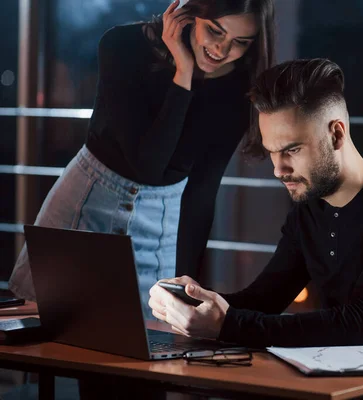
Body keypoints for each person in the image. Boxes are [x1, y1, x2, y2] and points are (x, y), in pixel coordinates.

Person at [149, 59, 363, 398]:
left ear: (336, 133)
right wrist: (198, 303)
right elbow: (263, 300)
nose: (279, 170)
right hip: (336, 389)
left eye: (292, 150)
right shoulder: (308, 211)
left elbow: (360, 325)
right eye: (272, 153)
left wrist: (226, 323)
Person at [9, 0, 275, 318]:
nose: (221, 49)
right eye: (215, 30)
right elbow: (146, 164)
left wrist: (188, 283)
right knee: (44, 331)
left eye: (240, 42)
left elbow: (204, 187)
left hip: (162, 223)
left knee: (143, 344)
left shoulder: (239, 87)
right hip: (88, 204)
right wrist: (183, 73)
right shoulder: (122, 45)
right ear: (189, 13)